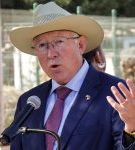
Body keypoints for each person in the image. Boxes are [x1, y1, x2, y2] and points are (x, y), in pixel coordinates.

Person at [7, 2, 135, 150]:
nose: (51, 53)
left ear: (80, 45)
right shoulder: (29, 102)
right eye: (42, 45)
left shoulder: (117, 94)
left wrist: (132, 128)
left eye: (59, 42)